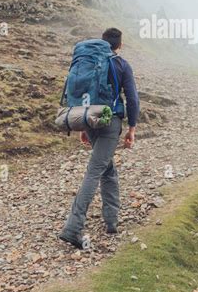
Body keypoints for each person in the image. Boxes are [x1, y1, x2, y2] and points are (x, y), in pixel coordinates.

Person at [59, 27, 139, 249]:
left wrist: (85, 124)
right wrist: (131, 128)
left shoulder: (89, 61)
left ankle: (111, 221)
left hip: (89, 120)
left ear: (104, 43)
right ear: (119, 45)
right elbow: (132, 99)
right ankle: (73, 228)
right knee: (95, 170)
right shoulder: (121, 64)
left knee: (107, 168)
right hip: (109, 122)